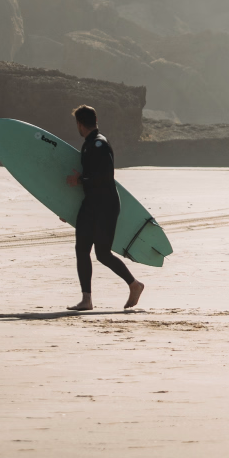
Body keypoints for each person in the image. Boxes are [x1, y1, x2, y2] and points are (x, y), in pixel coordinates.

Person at [65, 104, 144, 312]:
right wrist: (65, 207)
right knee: (81, 250)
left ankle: (134, 284)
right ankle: (86, 299)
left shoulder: (99, 144)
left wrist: (80, 179)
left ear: (80, 124)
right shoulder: (89, 143)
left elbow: (105, 176)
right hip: (90, 204)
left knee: (102, 254)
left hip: (105, 205)